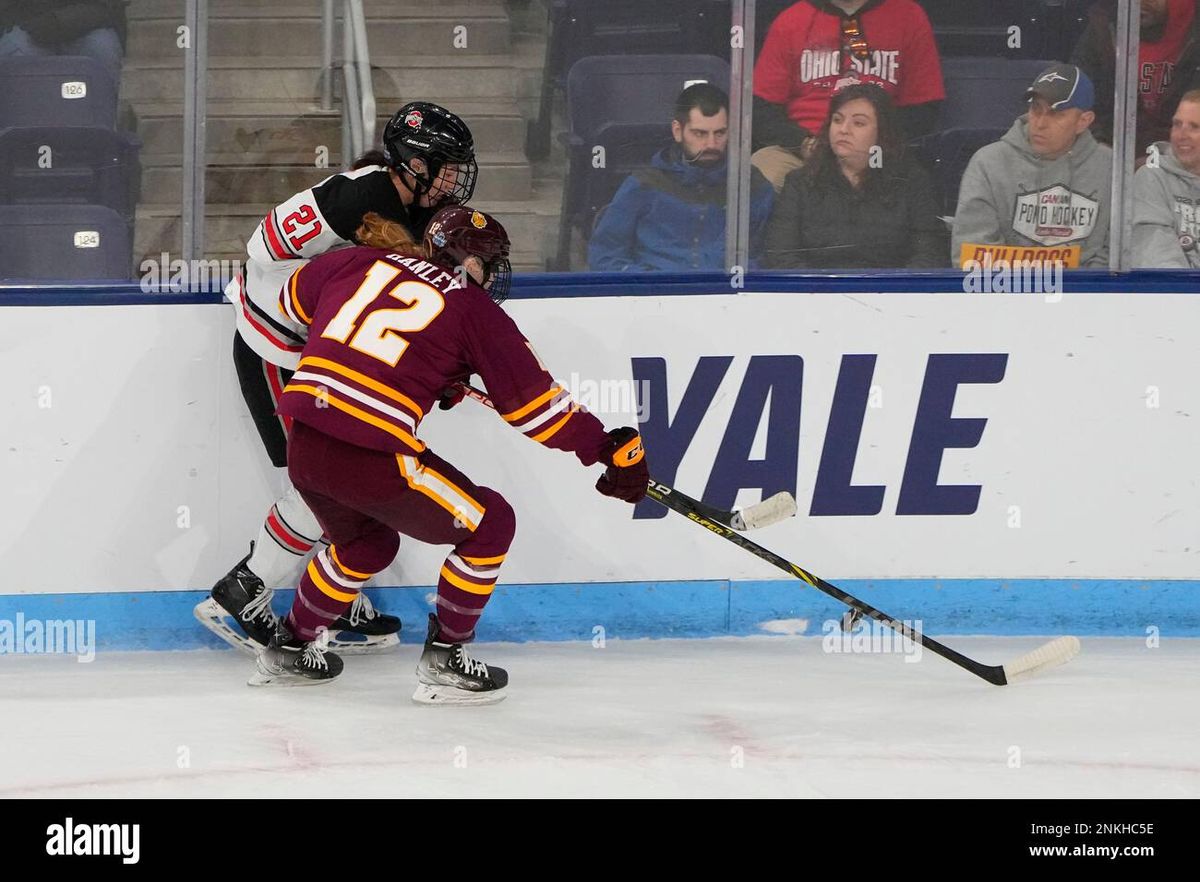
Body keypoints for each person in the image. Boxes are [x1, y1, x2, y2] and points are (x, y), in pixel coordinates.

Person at [249, 205, 650, 702]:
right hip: (371, 451)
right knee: (492, 523)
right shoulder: (473, 309)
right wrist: (606, 449)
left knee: (365, 546)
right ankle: (446, 658)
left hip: (306, 442)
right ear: (465, 261)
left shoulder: (358, 262)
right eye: (488, 263)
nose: (490, 276)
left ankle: (290, 647)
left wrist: (427, 361)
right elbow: (538, 409)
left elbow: (294, 300)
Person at [194, 102, 479, 655]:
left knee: (340, 481)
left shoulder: (408, 205)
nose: (453, 178)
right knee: (318, 484)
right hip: (276, 351)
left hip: (312, 353)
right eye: (443, 166)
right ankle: (238, 597)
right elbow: (267, 252)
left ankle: (333, 598)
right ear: (412, 164)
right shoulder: (359, 201)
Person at [751, 0, 945, 191]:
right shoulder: (792, 20)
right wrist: (806, 144)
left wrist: (874, 145)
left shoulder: (908, 15)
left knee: (910, 178)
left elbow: (923, 107)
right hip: (804, 152)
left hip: (877, 153)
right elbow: (761, 108)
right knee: (763, 168)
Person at [587, 83, 774, 272]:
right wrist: (647, 281)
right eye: (699, 133)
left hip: (727, 293)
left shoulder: (752, 187)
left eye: (720, 133)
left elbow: (770, 258)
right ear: (678, 131)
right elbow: (605, 256)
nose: (711, 144)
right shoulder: (643, 185)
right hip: (655, 293)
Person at [764, 84, 945, 268]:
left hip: (891, 292)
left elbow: (928, 254)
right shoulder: (800, 182)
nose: (843, 129)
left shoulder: (911, 182)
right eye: (837, 120)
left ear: (882, 132)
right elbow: (781, 255)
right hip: (817, 292)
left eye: (858, 123)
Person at [951, 64, 1113, 269]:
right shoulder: (988, 163)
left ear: (1083, 121)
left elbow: (1115, 256)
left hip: (1086, 297)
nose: (1040, 123)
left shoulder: (1110, 168)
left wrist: (1077, 293)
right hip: (1003, 295)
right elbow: (972, 254)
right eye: (1036, 108)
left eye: (1056, 114)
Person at [1071, 0, 1200, 160]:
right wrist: (1100, 147)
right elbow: (1077, 95)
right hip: (1111, 154)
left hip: (1183, 158)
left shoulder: (1194, 29)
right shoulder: (1103, 26)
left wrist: (1165, 157)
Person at [1133, 90, 1200, 266]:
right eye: (1177, 124)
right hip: (1178, 291)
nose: (1181, 136)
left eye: (1195, 127)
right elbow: (1155, 258)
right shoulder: (1152, 177)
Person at [0, 0, 125, 87]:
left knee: (100, 50)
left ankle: (95, 123)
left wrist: (59, 22)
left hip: (90, 22)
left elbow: (111, 5)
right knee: (15, 54)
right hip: (27, 24)